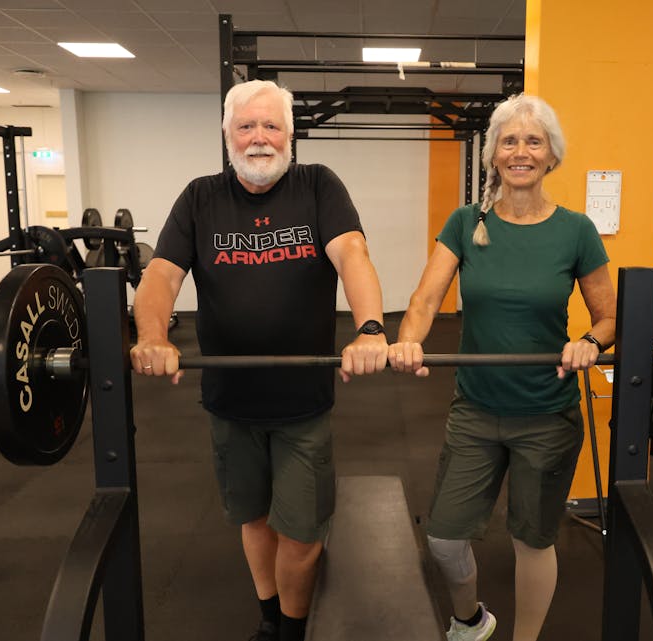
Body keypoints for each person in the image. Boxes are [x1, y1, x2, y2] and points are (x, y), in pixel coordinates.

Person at [130, 79, 388, 641]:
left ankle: (293, 629)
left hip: (303, 404)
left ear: (290, 134)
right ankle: (270, 618)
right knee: (254, 517)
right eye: (246, 126)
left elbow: (353, 254)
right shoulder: (200, 197)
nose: (259, 138)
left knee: (302, 532)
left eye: (271, 126)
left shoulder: (318, 186)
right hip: (231, 402)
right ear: (227, 135)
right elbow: (161, 275)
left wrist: (370, 330)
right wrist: (152, 335)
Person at [388, 94, 616, 641]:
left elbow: (609, 317)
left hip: (547, 412)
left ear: (550, 156)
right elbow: (424, 299)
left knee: (532, 540)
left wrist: (589, 340)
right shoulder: (467, 223)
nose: (520, 151)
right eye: (509, 142)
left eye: (532, 141)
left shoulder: (576, 230)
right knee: (444, 538)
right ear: (493, 156)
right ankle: (471, 621)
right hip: (477, 409)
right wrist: (407, 342)